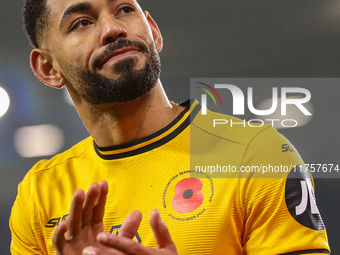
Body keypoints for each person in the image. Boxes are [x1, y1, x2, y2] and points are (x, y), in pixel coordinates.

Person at [10, 0, 330, 254]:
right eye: (82, 22)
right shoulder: (38, 194)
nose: (113, 28)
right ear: (48, 68)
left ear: (152, 30)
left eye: (124, 9)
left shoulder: (258, 154)